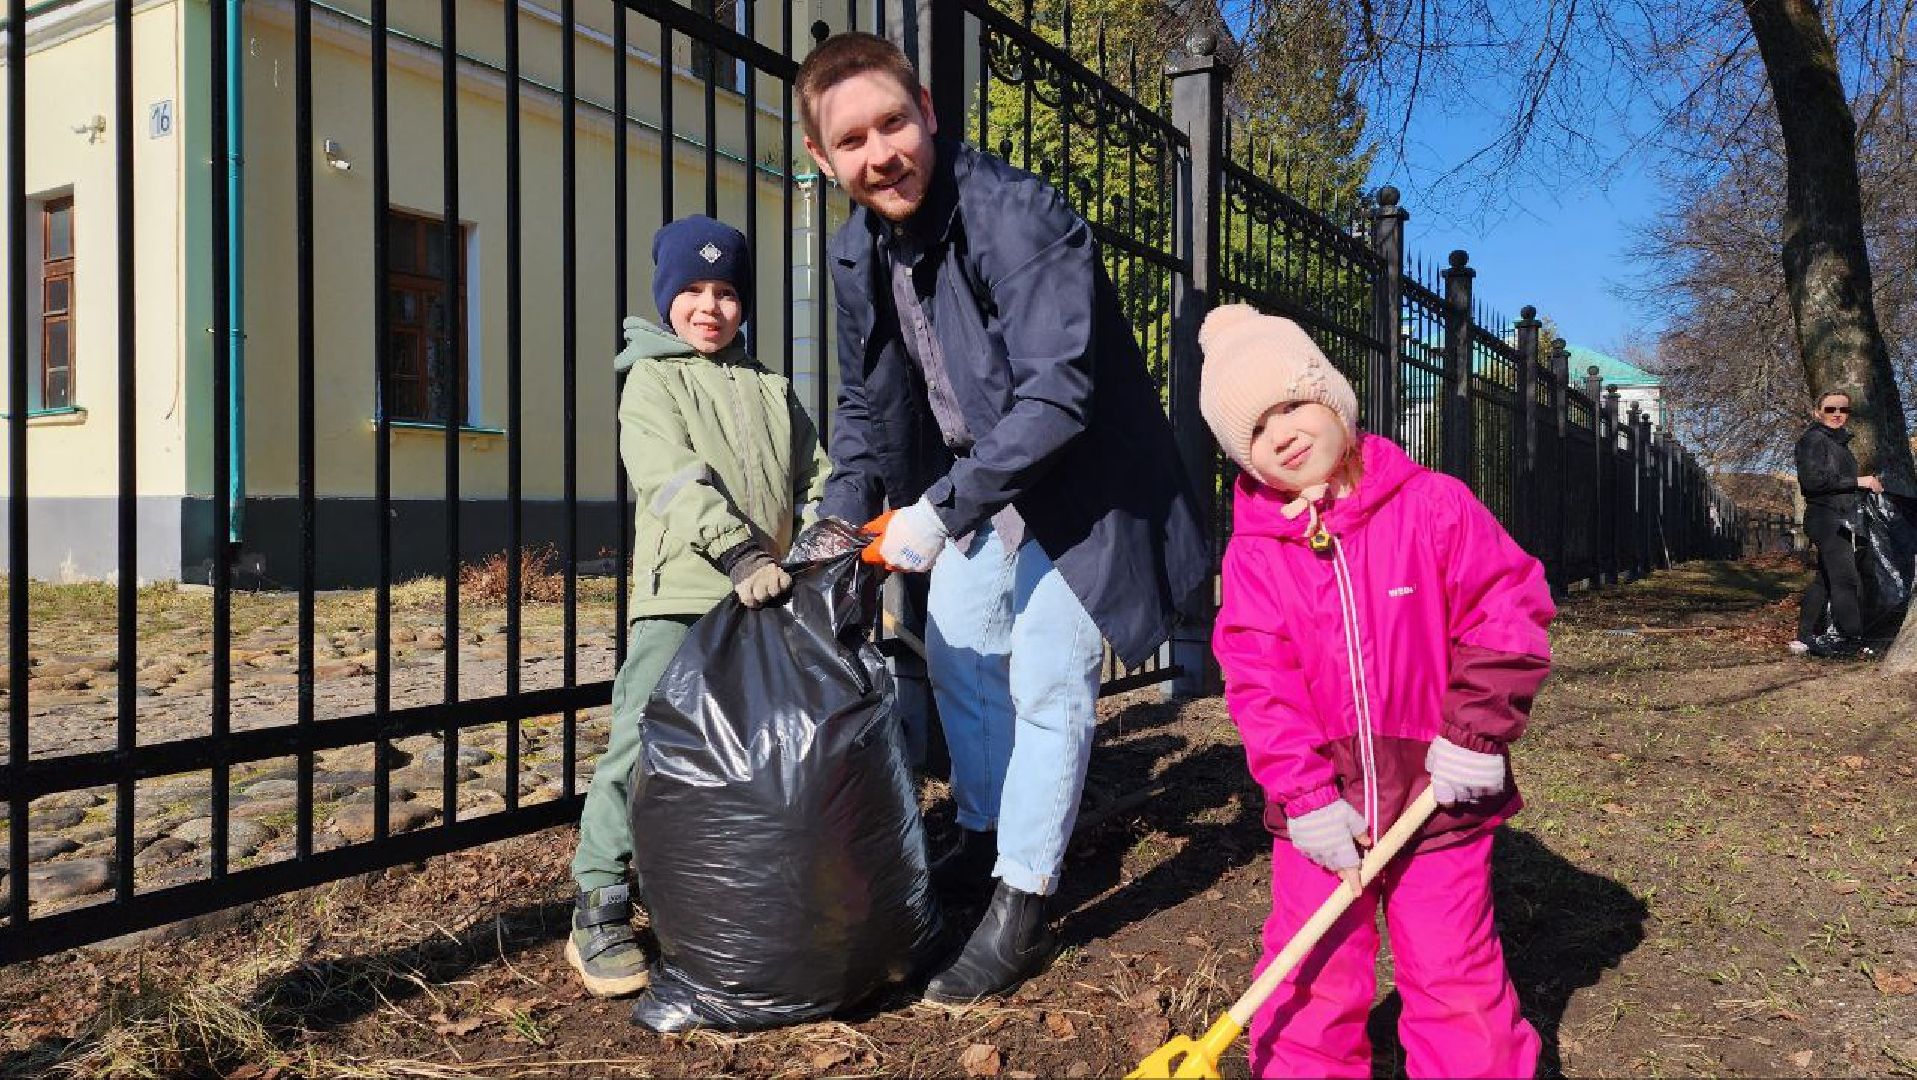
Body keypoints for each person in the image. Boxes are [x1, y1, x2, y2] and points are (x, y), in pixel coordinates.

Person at [794, 32, 1208, 1003]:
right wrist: (832, 524)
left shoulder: (1015, 215)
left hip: (1086, 482)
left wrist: (935, 514)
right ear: (823, 159)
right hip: (985, 481)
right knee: (957, 642)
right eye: (852, 139)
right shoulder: (860, 250)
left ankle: (1023, 902)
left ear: (928, 112)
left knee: (1051, 678)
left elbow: (1059, 397)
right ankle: (982, 835)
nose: (881, 153)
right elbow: (866, 410)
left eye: (893, 123)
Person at [1200, 305, 1552, 1078]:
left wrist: (1474, 733)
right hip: (1324, 813)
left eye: (1292, 404)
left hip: (1439, 795)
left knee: (1453, 974)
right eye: (1256, 431)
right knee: (1310, 978)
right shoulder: (1255, 558)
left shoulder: (1432, 506)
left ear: (1333, 399)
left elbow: (1507, 609)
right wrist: (1303, 796)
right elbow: (1259, 686)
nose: (1283, 432)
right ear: (1244, 458)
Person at [565, 215, 832, 997]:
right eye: (690, 291)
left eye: (725, 292)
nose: (708, 307)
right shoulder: (650, 380)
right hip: (684, 595)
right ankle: (599, 903)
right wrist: (738, 551)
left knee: (742, 751)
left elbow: (815, 477)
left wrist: (819, 545)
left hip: (766, 596)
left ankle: (711, 885)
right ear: (665, 298)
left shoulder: (773, 388)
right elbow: (669, 478)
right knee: (642, 742)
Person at [1791, 389, 1883, 658]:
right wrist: (1858, 481)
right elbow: (1813, 482)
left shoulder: (1837, 443)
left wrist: (1866, 486)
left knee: (1825, 580)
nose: (1838, 415)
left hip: (1838, 517)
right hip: (1825, 518)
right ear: (1817, 412)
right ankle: (1849, 638)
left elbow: (1836, 484)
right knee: (1845, 579)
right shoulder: (1813, 440)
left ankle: (1805, 636)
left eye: (1843, 410)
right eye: (1830, 409)